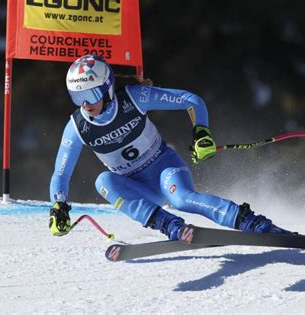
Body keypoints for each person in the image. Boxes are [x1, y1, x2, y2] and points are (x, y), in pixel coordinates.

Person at [49, 54, 291, 238]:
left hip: (163, 166)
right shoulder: (77, 126)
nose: (85, 105)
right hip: (137, 186)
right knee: (103, 181)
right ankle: (170, 225)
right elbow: (61, 173)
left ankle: (253, 223)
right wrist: (58, 205)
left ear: (106, 89)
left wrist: (201, 133)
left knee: (182, 199)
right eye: (77, 98)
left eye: (90, 96)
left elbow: (191, 101)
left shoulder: (135, 98)